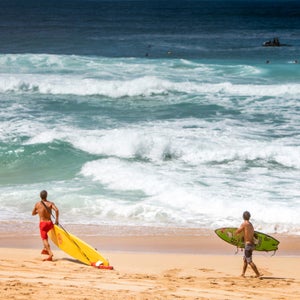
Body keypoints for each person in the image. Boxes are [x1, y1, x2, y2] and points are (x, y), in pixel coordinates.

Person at [32, 190, 59, 261]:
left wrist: (39, 211)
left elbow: (33, 213)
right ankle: (45, 249)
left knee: (44, 239)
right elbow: (56, 210)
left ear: (40, 196)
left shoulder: (37, 204)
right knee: (46, 237)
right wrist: (56, 220)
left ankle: (50, 253)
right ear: (46, 195)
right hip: (50, 223)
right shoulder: (50, 203)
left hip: (43, 223)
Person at [235, 211, 261, 278]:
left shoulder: (244, 224)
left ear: (243, 217)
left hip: (248, 245)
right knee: (245, 260)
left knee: (249, 261)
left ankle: (258, 274)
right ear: (249, 217)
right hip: (251, 245)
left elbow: (238, 231)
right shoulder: (251, 225)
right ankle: (243, 274)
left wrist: (235, 233)